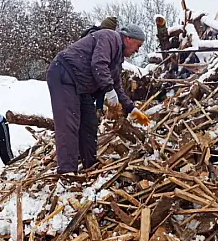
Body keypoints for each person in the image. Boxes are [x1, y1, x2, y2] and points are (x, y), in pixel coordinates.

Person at [46, 24, 149, 175]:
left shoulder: (117, 58)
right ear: (128, 38)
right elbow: (98, 64)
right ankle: (67, 173)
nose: (137, 50)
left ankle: (90, 167)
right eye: (138, 45)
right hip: (64, 74)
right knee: (69, 124)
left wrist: (131, 108)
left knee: (89, 124)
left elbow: (117, 84)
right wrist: (108, 90)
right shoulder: (110, 37)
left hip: (81, 86)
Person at [81, 17, 118, 112]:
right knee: (98, 90)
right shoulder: (101, 37)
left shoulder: (91, 33)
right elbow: (99, 62)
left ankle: (97, 110)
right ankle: (98, 110)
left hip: (85, 72)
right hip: (88, 73)